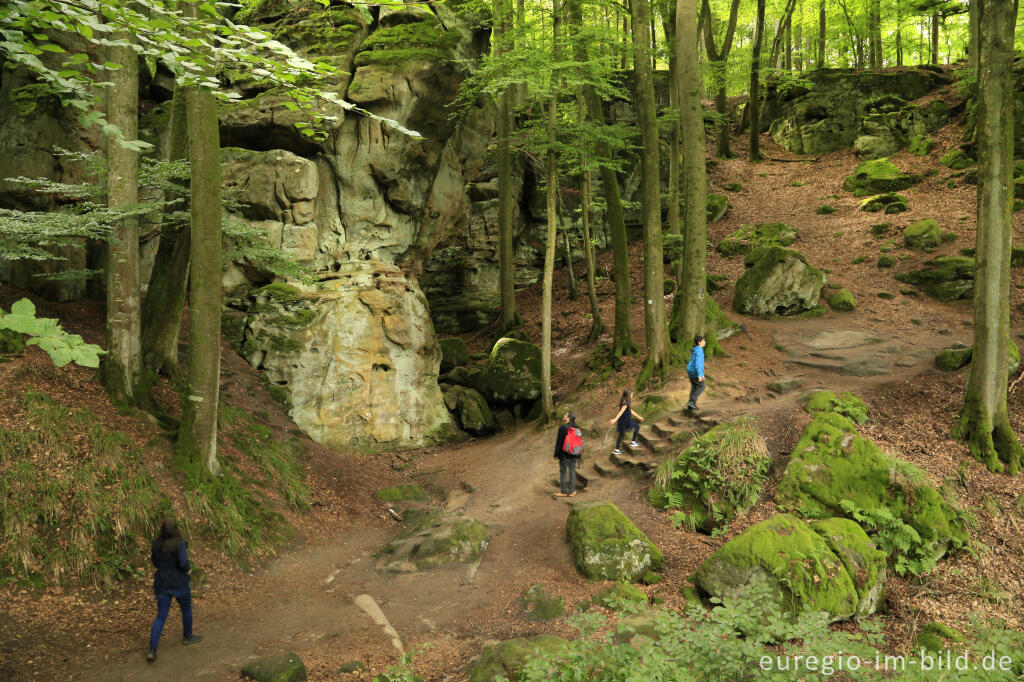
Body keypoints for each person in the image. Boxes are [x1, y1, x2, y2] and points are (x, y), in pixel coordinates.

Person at [147, 519, 202, 662]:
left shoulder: (155, 544)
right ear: (176, 530)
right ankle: (188, 636)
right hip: (179, 583)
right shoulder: (180, 544)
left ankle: (152, 650)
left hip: (162, 583)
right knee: (186, 609)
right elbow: (183, 562)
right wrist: (188, 569)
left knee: (161, 616)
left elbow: (154, 562)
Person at [554, 412, 582, 497]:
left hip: (564, 454)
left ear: (568, 418)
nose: (564, 416)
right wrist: (579, 454)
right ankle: (572, 491)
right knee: (572, 471)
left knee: (563, 472)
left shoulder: (562, 428)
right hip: (574, 454)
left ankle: (563, 491)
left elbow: (559, 442)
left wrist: (556, 454)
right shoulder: (577, 428)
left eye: (565, 415)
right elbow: (579, 442)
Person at [609, 389, 643, 455]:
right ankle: (633, 442)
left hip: (624, 421)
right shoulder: (625, 403)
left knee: (621, 434)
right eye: (632, 394)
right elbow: (620, 412)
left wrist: (638, 416)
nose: (633, 395)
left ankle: (617, 449)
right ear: (628, 395)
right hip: (625, 421)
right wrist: (615, 419)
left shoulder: (626, 402)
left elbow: (630, 411)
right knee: (636, 426)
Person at [686, 335, 707, 411]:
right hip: (694, 371)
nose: (705, 342)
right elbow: (698, 364)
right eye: (703, 341)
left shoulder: (695, 349)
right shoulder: (699, 351)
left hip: (690, 370)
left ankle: (690, 405)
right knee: (702, 386)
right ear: (699, 342)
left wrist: (701, 374)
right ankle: (691, 402)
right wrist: (700, 375)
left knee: (694, 387)